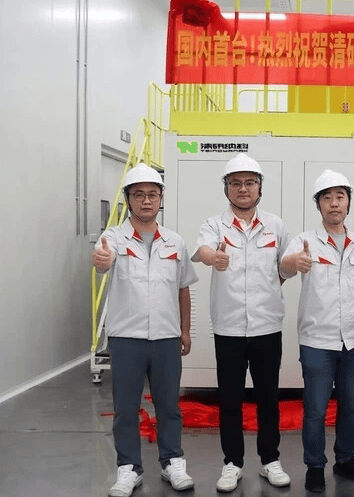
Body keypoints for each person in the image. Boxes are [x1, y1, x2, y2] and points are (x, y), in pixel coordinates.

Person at [92, 163, 198, 497]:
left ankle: (172, 462)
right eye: (139, 194)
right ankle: (128, 468)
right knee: (125, 409)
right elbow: (102, 261)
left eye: (152, 194)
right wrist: (101, 261)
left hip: (166, 337)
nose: (146, 200)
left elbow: (183, 288)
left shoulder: (175, 241)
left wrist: (185, 331)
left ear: (161, 198)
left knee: (169, 406)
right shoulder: (113, 238)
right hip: (126, 338)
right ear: (128, 199)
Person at [191, 154, 291, 492]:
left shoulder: (276, 226)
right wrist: (215, 258)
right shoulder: (214, 225)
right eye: (235, 183)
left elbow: (284, 266)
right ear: (227, 188)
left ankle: (270, 460)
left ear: (260, 187)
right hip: (229, 328)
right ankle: (232, 463)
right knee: (230, 400)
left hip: (267, 327)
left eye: (250, 183)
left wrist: (285, 274)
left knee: (268, 398)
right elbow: (204, 250)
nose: (243, 189)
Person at [280, 169, 354, 493]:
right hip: (317, 342)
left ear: (348, 202)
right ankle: (315, 466)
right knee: (316, 409)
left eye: (340, 197)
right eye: (327, 198)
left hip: (353, 342)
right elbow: (283, 267)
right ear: (318, 204)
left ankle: (345, 459)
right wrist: (295, 262)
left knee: (351, 406)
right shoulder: (304, 241)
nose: (334, 203)